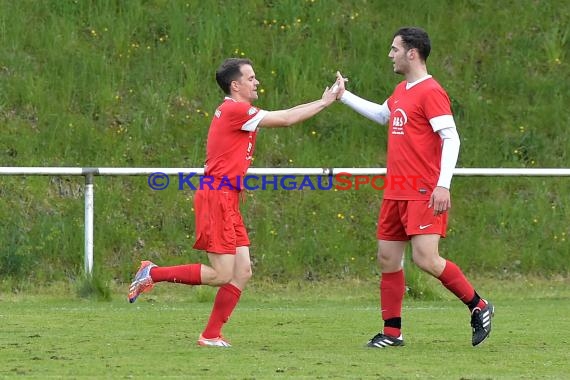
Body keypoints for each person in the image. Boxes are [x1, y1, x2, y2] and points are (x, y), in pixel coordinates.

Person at [128, 58, 340, 347]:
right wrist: (326, 101)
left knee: (242, 271)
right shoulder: (235, 110)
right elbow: (288, 119)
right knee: (221, 274)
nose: (257, 82)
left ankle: (211, 335)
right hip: (217, 197)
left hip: (227, 197)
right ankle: (152, 273)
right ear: (235, 85)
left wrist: (324, 99)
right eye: (251, 78)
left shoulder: (237, 110)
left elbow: (287, 113)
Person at [334, 27, 494, 348]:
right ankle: (393, 333)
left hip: (423, 191)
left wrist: (442, 185)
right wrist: (343, 95)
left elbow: (451, 137)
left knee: (426, 259)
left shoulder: (431, 91)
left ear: (412, 53)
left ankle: (478, 305)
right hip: (396, 190)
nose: (390, 55)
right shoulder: (402, 89)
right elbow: (383, 115)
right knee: (387, 259)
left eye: (395, 49)